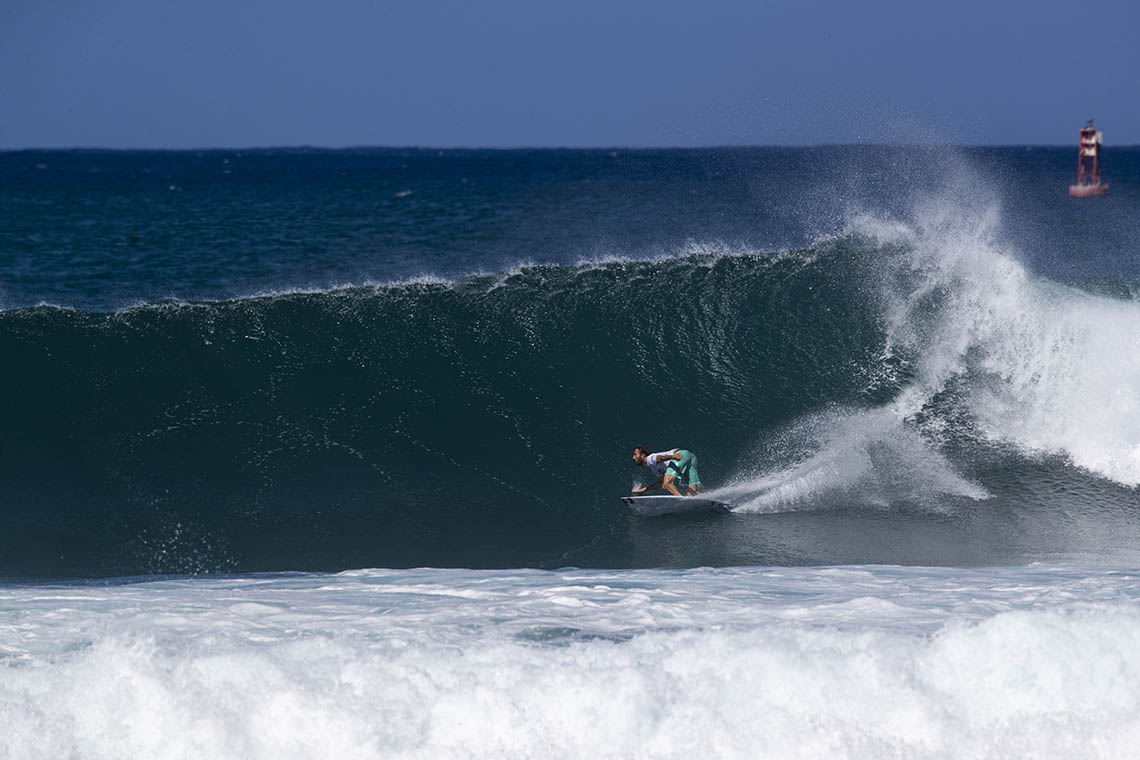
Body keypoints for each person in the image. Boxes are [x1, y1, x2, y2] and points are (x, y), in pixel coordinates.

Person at [631, 446, 701, 496]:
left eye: (635, 454)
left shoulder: (649, 459)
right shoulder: (654, 468)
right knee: (690, 492)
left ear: (643, 455)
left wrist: (673, 457)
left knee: (667, 483)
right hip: (690, 457)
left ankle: (682, 500)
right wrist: (645, 489)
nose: (633, 457)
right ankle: (703, 499)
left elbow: (659, 458)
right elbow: (661, 482)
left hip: (680, 456)